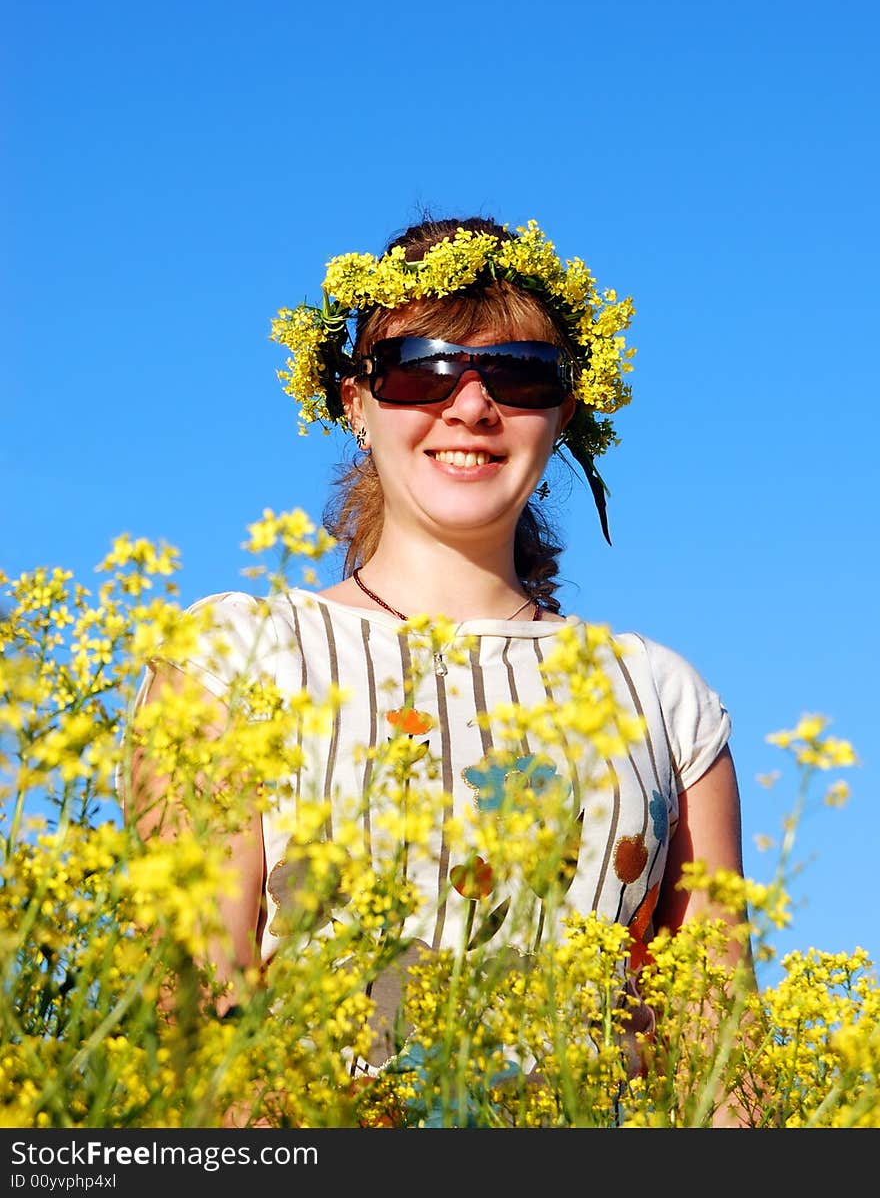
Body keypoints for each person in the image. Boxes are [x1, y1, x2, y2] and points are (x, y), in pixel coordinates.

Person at [126, 214, 750, 1125]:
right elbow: (193, 1020)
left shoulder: (664, 698)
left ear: (565, 413)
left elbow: (717, 1050)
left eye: (521, 376)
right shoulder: (233, 659)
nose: (470, 408)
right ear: (354, 401)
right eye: (421, 370)